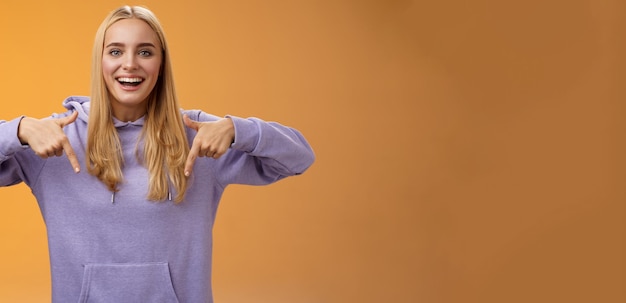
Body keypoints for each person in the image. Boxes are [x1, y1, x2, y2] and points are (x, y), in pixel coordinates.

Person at [0, 5, 314, 303]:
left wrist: (237, 129)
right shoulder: (55, 139)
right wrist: (18, 130)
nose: (130, 63)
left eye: (145, 52)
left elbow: (299, 157)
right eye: (116, 51)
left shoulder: (197, 135)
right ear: (100, 61)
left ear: (161, 64)